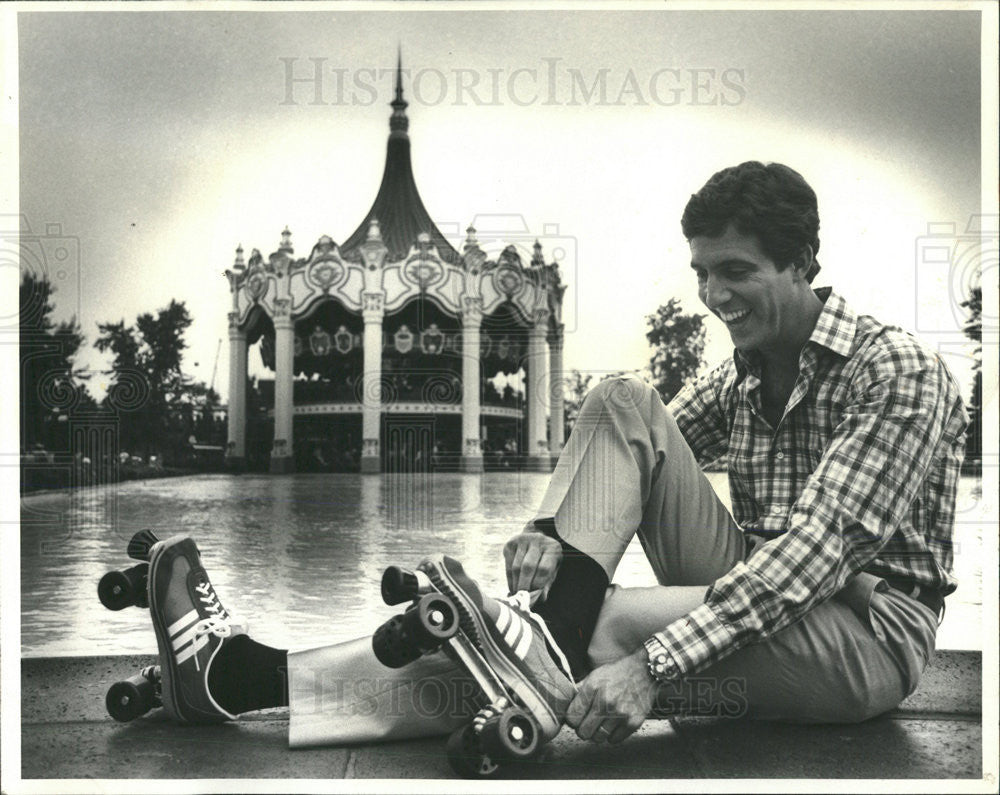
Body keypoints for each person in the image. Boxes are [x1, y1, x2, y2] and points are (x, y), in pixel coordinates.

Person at [143, 161, 967, 753]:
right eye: (702, 273)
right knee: (618, 396)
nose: (715, 297)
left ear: (803, 264)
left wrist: (654, 664)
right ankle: (544, 636)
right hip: (754, 581)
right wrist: (545, 525)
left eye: (737, 272)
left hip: (865, 630)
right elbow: (622, 447)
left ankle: (246, 679)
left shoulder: (893, 371)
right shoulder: (741, 377)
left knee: (583, 635)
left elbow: (814, 560)